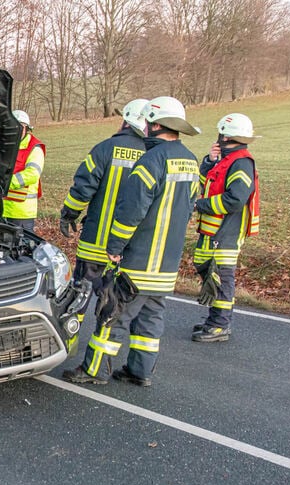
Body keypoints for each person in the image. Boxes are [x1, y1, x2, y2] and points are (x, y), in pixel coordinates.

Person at [63, 96, 200, 387]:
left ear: (156, 124)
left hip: (138, 260)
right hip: (167, 263)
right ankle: (140, 371)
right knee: (151, 318)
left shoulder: (151, 161)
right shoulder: (191, 161)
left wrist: (115, 247)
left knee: (114, 315)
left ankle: (95, 370)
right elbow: (189, 207)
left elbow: (131, 212)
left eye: (149, 122)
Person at [59, 98, 148, 350]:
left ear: (125, 121)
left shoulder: (104, 149)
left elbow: (82, 189)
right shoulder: (153, 155)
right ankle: (100, 359)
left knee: (78, 298)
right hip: (128, 250)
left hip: (95, 244)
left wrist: (69, 214)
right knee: (112, 305)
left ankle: (67, 345)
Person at [191, 113, 261, 342]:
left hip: (227, 230)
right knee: (206, 268)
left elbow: (235, 199)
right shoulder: (225, 159)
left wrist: (199, 205)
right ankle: (217, 318)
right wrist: (209, 162)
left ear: (226, 134)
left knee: (221, 275)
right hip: (212, 229)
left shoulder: (241, 161)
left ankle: (220, 324)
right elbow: (208, 183)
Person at [2, 110, 45, 231]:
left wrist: (6, 183)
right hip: (0, 210)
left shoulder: (34, 148)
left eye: (21, 127)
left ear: (27, 129)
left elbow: (32, 174)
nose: (17, 131)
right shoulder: (6, 146)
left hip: (21, 213)